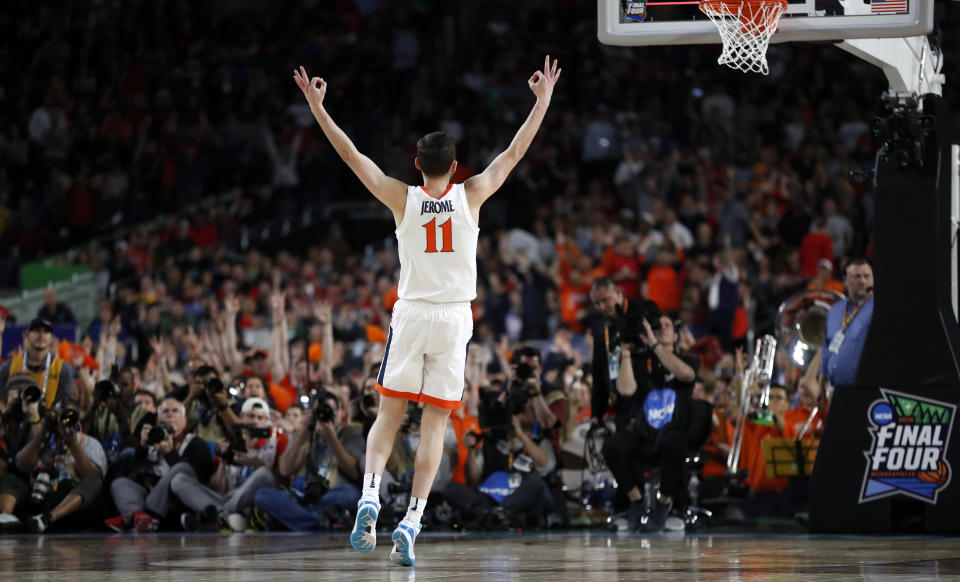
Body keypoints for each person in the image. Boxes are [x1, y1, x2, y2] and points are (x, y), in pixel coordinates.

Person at [292, 54, 560, 566]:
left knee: (389, 415)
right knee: (435, 426)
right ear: (456, 168)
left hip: (412, 314)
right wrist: (542, 99)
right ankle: (412, 522)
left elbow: (353, 158)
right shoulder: (473, 193)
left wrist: (318, 107)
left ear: (417, 166)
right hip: (455, 318)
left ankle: (370, 495)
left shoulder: (402, 198)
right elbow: (515, 151)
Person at [820, 258, 874, 388]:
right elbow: (827, 346)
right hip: (836, 389)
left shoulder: (879, 308)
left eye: (867, 276)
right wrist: (821, 383)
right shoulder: (835, 310)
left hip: (866, 389)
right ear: (845, 280)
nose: (862, 281)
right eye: (857, 277)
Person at [0, 318, 76, 410]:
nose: (41, 335)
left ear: (52, 338)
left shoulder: (62, 369)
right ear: (26, 335)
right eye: (36, 330)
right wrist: (7, 407)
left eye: (46, 331)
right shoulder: (9, 367)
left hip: (50, 422)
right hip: (17, 421)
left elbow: (69, 405)